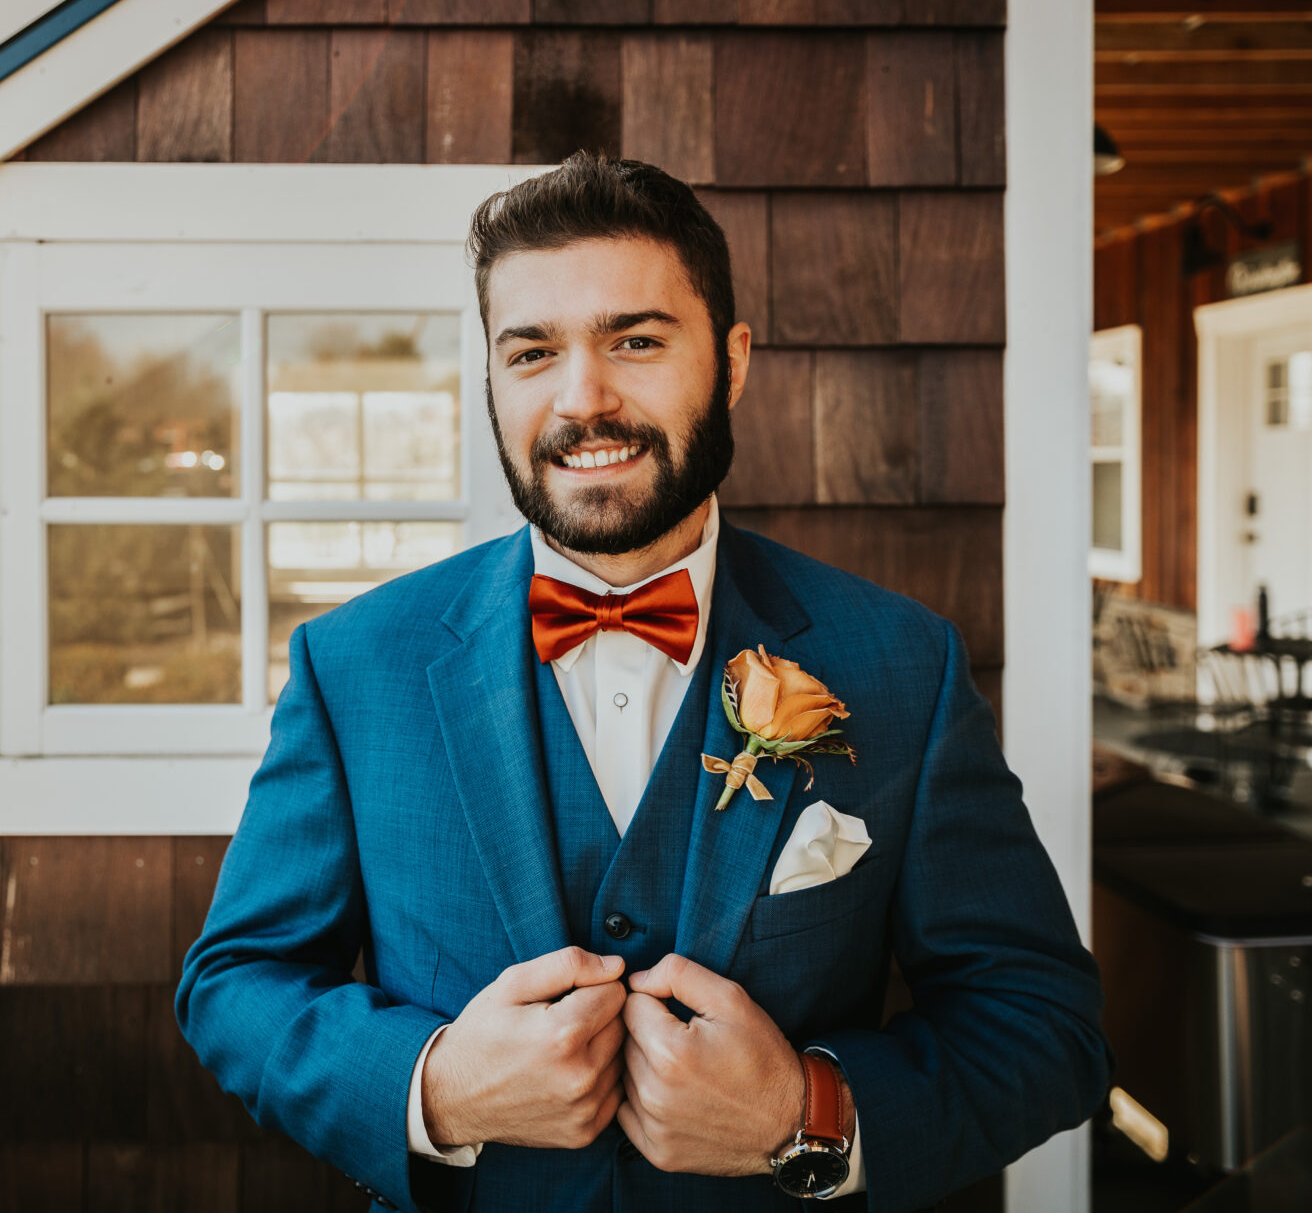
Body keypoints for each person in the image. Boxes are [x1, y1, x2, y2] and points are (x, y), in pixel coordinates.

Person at [175, 152, 1111, 1213]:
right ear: (491, 376)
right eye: (532, 351)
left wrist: (808, 1112)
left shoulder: (903, 663)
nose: (585, 399)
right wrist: (431, 1084)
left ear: (733, 359)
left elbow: (1045, 1026)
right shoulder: (355, 664)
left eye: (636, 340)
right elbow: (234, 984)